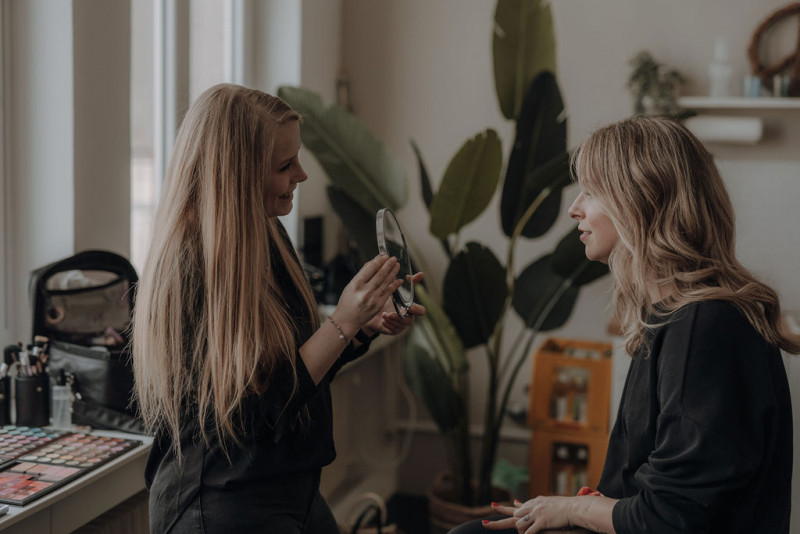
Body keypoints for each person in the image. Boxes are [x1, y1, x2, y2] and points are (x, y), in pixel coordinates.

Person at [452, 116, 798, 534]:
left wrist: (573, 511)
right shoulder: (674, 315)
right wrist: (594, 505)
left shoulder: (705, 325)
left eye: (592, 192)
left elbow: (669, 517)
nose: (574, 208)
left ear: (642, 202)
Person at [132, 83, 425, 533]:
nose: (302, 175)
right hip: (218, 503)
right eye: (285, 165)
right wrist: (342, 323)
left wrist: (363, 325)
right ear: (237, 173)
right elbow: (252, 410)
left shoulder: (266, 233)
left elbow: (291, 367)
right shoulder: (190, 262)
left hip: (287, 487)